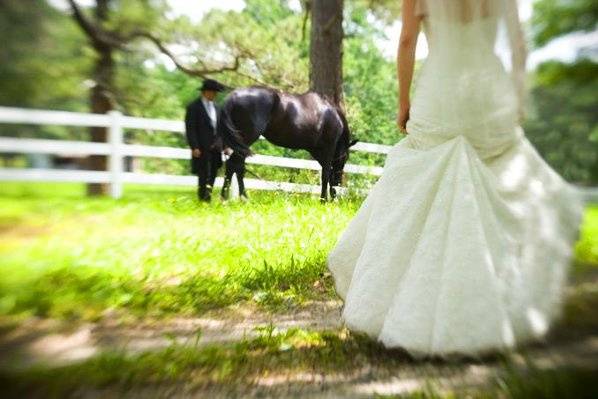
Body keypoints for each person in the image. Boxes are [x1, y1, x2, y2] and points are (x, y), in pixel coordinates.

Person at [327, 0, 584, 358]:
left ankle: (407, 308)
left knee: (421, 186)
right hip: (490, 96)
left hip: (441, 92)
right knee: (502, 186)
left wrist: (403, 101)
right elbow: (519, 46)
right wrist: (519, 101)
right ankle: (502, 303)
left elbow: (405, 42)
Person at [185, 79, 227, 202]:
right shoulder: (193, 107)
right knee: (203, 173)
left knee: (213, 172)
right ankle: (203, 198)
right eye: (213, 92)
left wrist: (224, 145)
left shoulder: (217, 108)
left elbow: (220, 128)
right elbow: (190, 128)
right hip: (201, 147)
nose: (215, 95)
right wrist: (194, 147)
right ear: (206, 92)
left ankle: (208, 195)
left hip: (216, 147)